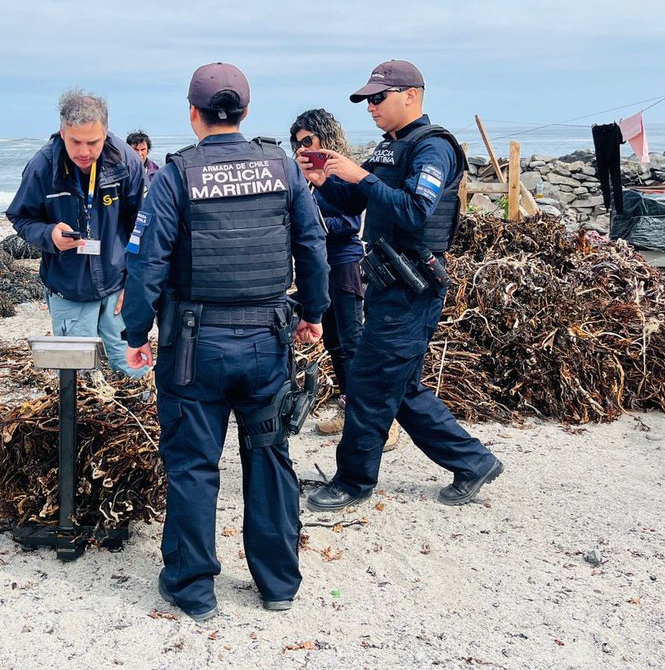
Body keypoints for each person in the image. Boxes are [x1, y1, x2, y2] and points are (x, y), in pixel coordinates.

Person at [123, 62, 329, 621]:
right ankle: (278, 584)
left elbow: (147, 262)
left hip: (194, 349)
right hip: (266, 343)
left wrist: (136, 333)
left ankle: (193, 588)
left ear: (193, 113)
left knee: (193, 464)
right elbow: (312, 246)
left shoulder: (175, 176)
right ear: (245, 111)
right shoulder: (281, 167)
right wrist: (313, 313)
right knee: (269, 456)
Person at [301, 60, 503, 512]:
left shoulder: (433, 147)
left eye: (378, 98)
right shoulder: (388, 147)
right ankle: (474, 461)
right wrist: (325, 181)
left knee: (369, 382)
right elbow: (354, 201)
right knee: (401, 386)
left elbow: (415, 210)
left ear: (410, 95)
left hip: (413, 284)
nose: (370, 107)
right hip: (387, 279)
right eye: (367, 100)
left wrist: (360, 175)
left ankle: (353, 482)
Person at [7, 89, 145, 375]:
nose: (84, 152)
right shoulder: (43, 166)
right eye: (75, 142)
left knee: (132, 370)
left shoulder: (127, 161)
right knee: (76, 376)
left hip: (117, 284)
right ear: (62, 132)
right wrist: (49, 235)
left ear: (105, 132)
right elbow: (20, 217)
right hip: (68, 289)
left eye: (93, 142)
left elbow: (143, 225)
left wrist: (135, 280)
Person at [287, 109, 397, 444]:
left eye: (308, 140)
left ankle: (381, 421)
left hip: (346, 263)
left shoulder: (342, 170)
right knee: (334, 340)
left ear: (325, 137)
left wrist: (311, 223)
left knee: (353, 341)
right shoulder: (305, 176)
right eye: (297, 143)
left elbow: (350, 222)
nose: (303, 148)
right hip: (319, 265)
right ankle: (350, 408)